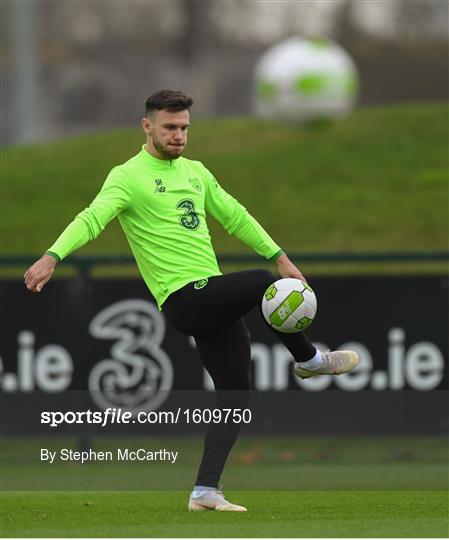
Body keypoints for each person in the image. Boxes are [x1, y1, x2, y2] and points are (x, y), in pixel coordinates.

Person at [24, 89, 359, 512]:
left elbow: (234, 215)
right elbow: (92, 218)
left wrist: (281, 257)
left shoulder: (196, 172)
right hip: (183, 299)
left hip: (209, 295)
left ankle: (205, 491)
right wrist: (53, 256)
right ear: (147, 126)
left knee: (235, 394)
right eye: (170, 127)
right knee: (260, 283)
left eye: (183, 127)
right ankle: (309, 360)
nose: (179, 135)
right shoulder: (127, 176)